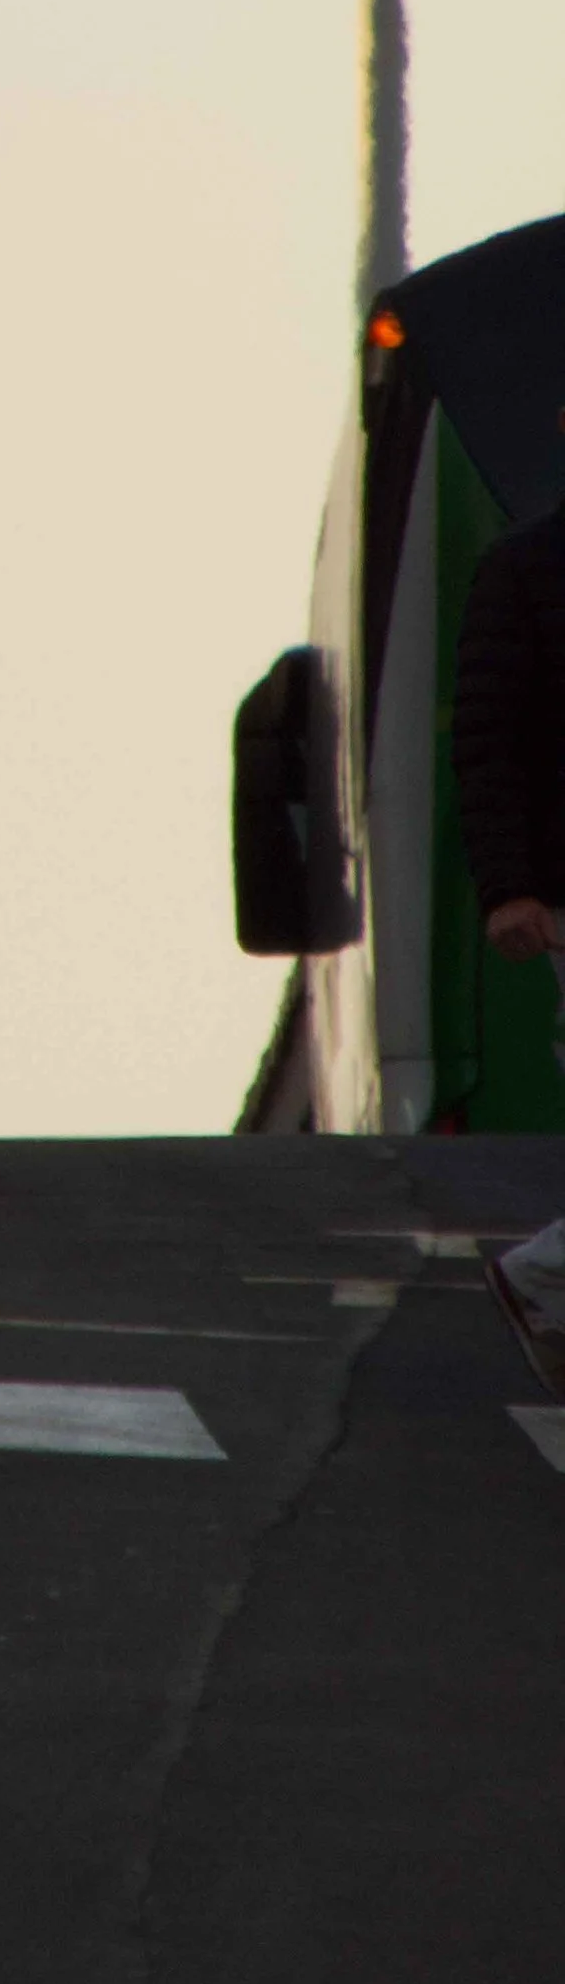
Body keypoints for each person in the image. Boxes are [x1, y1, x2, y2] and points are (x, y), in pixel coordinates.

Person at [451, 463, 565, 1384]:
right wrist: (508, 889)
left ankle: (546, 1285)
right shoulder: (525, 568)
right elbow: (487, 740)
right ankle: (543, 1280)